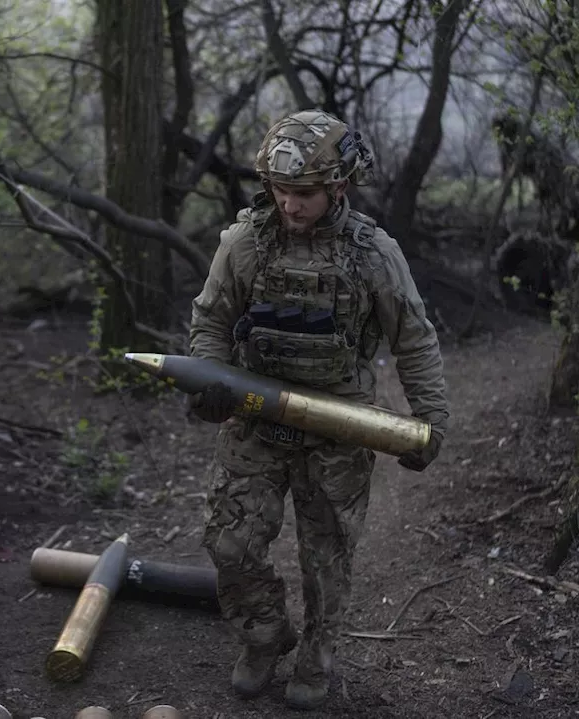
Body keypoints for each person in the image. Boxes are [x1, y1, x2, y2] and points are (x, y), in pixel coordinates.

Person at [188, 109, 450, 710]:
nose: (290, 205)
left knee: (326, 558)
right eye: (280, 191)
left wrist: (429, 420)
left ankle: (317, 653)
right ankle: (263, 637)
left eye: (303, 193)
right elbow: (211, 319)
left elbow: (413, 336)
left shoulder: (373, 255)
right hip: (257, 415)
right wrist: (210, 376)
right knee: (230, 544)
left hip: (338, 424)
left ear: (339, 187)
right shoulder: (245, 244)